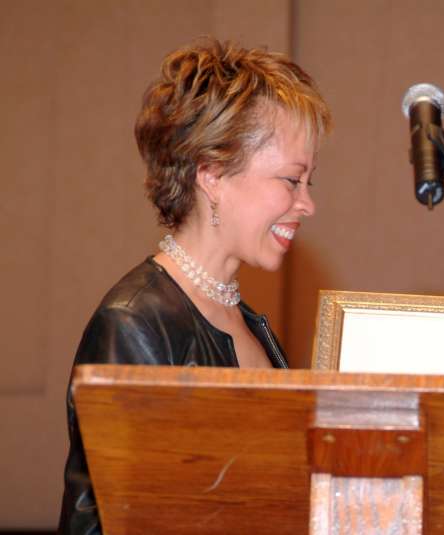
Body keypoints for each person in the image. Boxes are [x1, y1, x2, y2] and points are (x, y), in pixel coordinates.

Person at [58, 38, 332, 534]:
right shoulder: (134, 322)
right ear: (212, 174)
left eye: (309, 182)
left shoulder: (247, 321)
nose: (307, 204)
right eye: (292, 181)